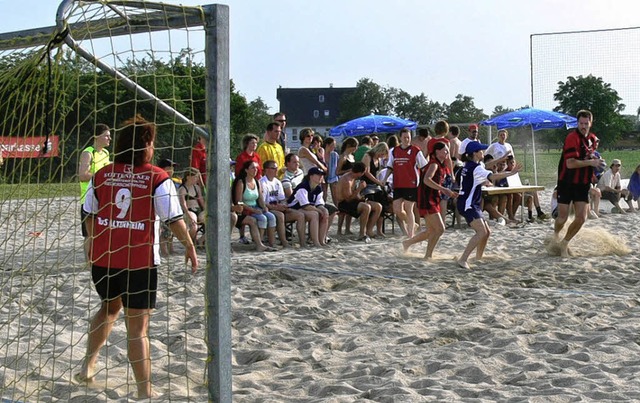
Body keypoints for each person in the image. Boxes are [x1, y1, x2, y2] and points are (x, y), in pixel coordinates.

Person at [78, 115, 198, 399]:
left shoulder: (103, 174)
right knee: (138, 327)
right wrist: (190, 246)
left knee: (109, 308)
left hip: (104, 258)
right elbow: (174, 220)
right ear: (144, 146)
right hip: (139, 262)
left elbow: (89, 216)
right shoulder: (157, 177)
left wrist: (93, 244)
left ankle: (87, 365)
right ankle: (145, 391)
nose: (154, 147)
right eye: (151, 142)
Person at [456, 141, 522, 269]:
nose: (483, 152)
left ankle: (478, 257)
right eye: (481, 150)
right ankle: (463, 259)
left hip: (469, 202)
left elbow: (486, 165)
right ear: (474, 153)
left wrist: (502, 159)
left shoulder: (471, 164)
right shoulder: (476, 168)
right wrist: (510, 173)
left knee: (487, 232)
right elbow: (493, 176)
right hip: (468, 204)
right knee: (481, 232)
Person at [554, 110, 606, 258]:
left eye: (586, 123)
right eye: (581, 123)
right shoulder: (572, 138)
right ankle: (555, 234)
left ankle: (564, 243)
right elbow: (570, 164)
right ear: (577, 123)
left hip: (583, 183)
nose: (583, 126)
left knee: (582, 218)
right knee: (562, 218)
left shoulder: (593, 139)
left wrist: (596, 162)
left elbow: (592, 153)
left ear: (590, 123)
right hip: (566, 182)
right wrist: (592, 162)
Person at [403, 142, 458, 258]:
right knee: (440, 229)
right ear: (437, 152)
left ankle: (407, 243)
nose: (447, 153)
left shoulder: (441, 164)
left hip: (432, 198)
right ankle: (428, 255)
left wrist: (447, 191)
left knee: (430, 231)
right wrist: (443, 189)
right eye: (445, 151)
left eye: (448, 151)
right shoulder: (434, 164)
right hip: (427, 199)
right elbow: (426, 180)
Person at [382, 128, 428, 238]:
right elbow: (390, 166)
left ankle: (410, 234)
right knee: (397, 209)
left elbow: (424, 166)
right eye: (404, 137)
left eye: (408, 137)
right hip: (398, 184)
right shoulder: (394, 151)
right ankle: (413, 224)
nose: (407, 139)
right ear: (400, 138)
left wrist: (424, 182)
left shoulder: (415, 150)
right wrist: (384, 179)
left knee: (409, 208)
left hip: (411, 184)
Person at [78, 123, 111, 261]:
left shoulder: (106, 153)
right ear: (97, 137)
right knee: (89, 234)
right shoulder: (88, 153)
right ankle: (88, 262)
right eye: (106, 136)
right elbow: (82, 175)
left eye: (110, 136)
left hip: (104, 198)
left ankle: (101, 258)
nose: (109, 139)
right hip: (88, 199)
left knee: (103, 231)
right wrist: (101, 175)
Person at [233, 160, 279, 251]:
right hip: (245, 209)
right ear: (246, 170)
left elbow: (260, 199)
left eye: (256, 168)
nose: (255, 170)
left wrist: (264, 207)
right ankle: (259, 242)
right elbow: (239, 202)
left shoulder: (257, 182)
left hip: (256, 207)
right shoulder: (241, 182)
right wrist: (252, 210)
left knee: (271, 216)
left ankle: (271, 242)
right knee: (262, 218)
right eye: (253, 168)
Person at [260, 160, 305, 247]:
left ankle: (302, 242)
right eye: (273, 168)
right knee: (280, 215)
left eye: (277, 168)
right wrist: (277, 208)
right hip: (267, 208)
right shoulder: (262, 182)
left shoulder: (277, 182)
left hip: (278, 207)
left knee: (300, 215)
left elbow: (282, 199)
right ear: (266, 170)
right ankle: (284, 241)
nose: (276, 170)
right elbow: (263, 203)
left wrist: (284, 206)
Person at [334, 162, 382, 242]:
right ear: (360, 173)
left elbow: (354, 196)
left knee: (378, 206)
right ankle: (361, 234)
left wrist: (361, 198)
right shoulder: (347, 180)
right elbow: (348, 199)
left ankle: (369, 230)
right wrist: (359, 189)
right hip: (343, 203)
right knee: (366, 207)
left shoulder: (354, 178)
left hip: (352, 201)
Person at [287, 167, 330, 246]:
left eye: (322, 175)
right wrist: (319, 211)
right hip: (293, 209)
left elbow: (319, 204)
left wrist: (323, 210)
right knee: (314, 214)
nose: (321, 177)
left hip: (304, 209)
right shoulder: (303, 187)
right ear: (311, 176)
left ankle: (322, 241)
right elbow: (305, 206)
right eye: (318, 175)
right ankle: (314, 242)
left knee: (325, 213)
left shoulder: (318, 188)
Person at [157, 158, 181, 256]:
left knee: (171, 232)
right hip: (162, 211)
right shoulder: (159, 180)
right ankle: (164, 251)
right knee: (163, 233)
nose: (172, 170)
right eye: (169, 168)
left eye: (173, 168)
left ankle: (171, 248)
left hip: (171, 210)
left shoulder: (173, 181)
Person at [178, 168, 206, 248]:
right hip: (188, 210)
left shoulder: (196, 188)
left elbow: (201, 201)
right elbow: (183, 204)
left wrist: (206, 211)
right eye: (195, 177)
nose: (197, 179)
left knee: (212, 223)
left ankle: (200, 240)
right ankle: (188, 244)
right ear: (188, 177)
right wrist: (189, 216)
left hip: (198, 210)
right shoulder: (182, 189)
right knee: (194, 227)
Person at [323, 137, 339, 203]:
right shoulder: (321, 153)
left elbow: (338, 165)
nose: (334, 147)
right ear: (327, 145)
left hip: (333, 176)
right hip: (323, 176)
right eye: (333, 145)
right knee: (324, 194)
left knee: (335, 195)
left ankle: (337, 209)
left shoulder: (335, 155)